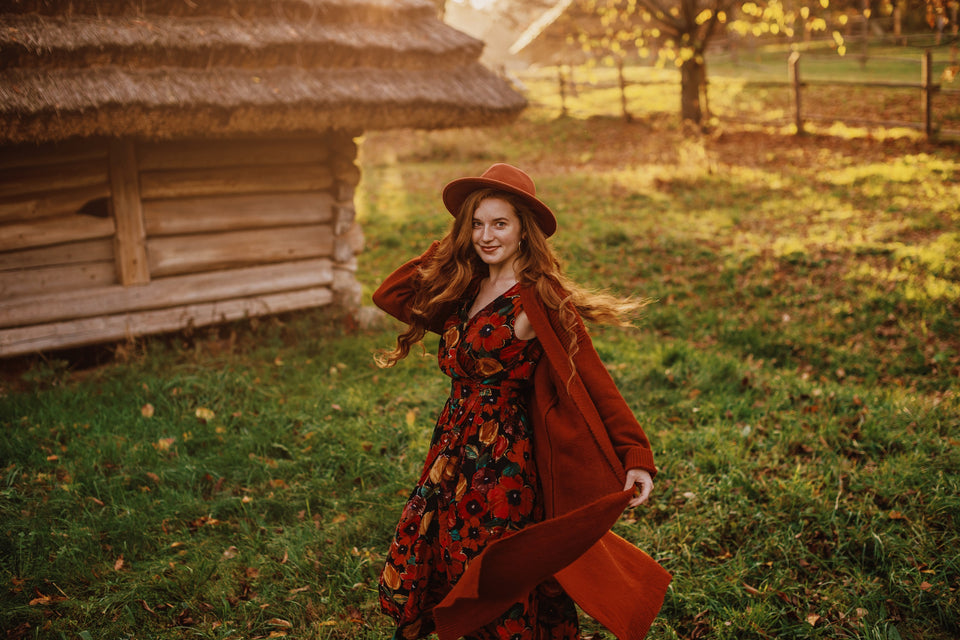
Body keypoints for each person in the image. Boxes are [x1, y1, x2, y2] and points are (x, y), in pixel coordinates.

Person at [372, 163, 671, 640]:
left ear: (523, 232)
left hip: (502, 458)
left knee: (489, 560)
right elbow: (391, 294)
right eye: (476, 223)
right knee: (442, 544)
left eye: (500, 223)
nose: (486, 236)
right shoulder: (466, 288)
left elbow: (591, 379)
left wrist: (635, 455)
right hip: (452, 446)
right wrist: (450, 247)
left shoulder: (537, 299)